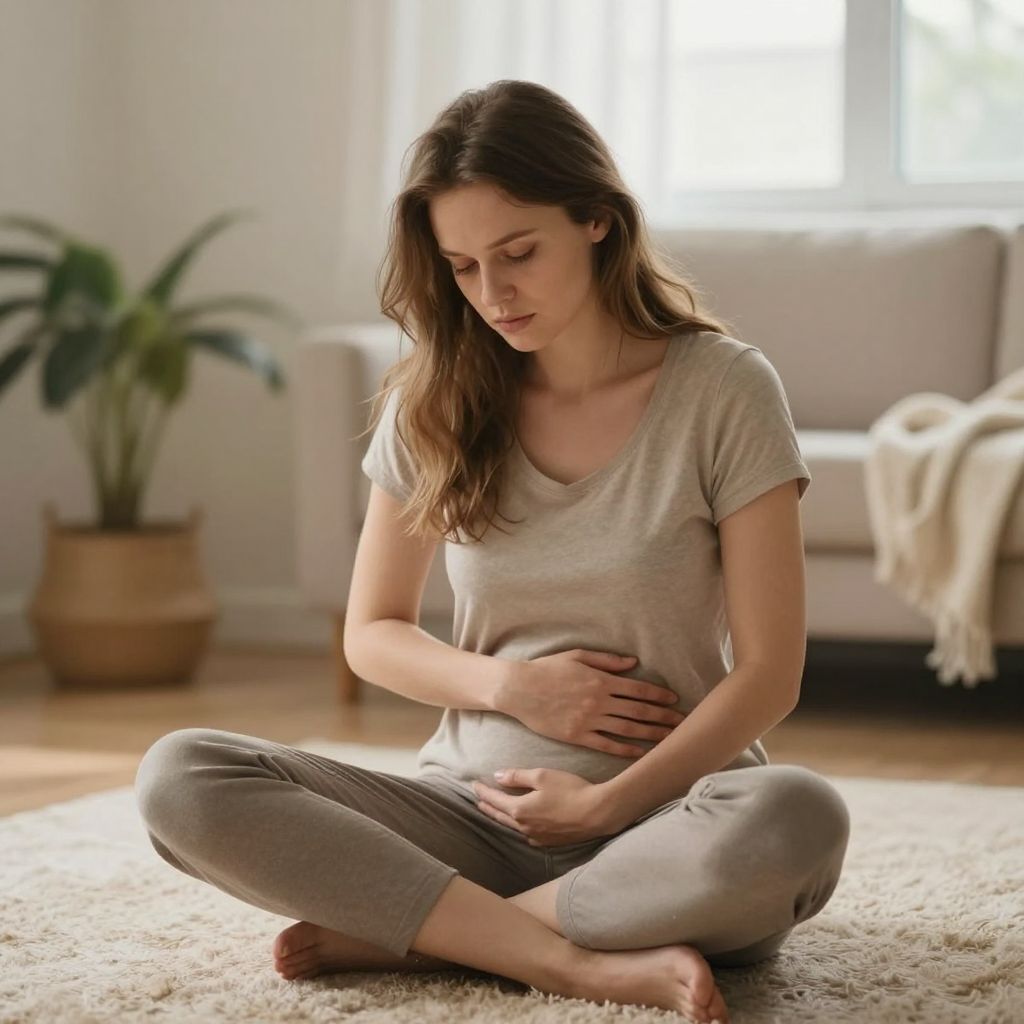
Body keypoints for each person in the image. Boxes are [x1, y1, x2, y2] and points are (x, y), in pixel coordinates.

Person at [134, 79, 850, 1023]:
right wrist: (512, 689)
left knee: (797, 818)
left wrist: (602, 807)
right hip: (470, 816)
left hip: (673, 824)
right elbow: (373, 632)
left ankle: (439, 932)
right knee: (181, 775)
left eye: (518, 254)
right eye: (463, 266)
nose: (492, 294)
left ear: (597, 219)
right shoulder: (432, 399)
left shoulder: (723, 389)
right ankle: (570, 959)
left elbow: (770, 674)